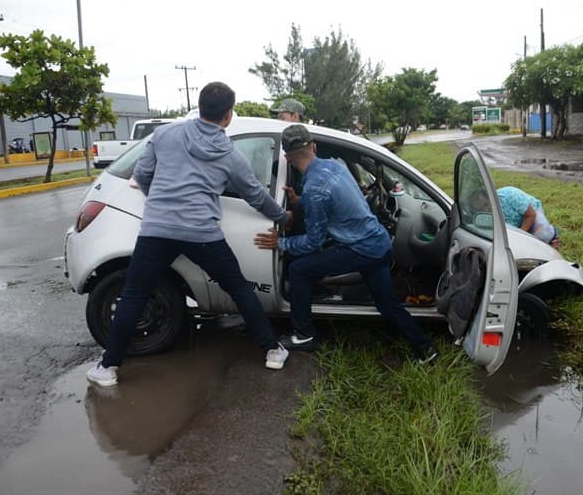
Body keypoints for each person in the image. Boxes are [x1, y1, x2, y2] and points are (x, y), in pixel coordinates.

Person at [86, 81, 291, 388]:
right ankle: (272, 351)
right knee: (238, 288)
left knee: (133, 295)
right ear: (228, 116)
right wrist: (283, 216)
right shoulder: (230, 155)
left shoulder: (165, 134)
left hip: (157, 231)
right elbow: (255, 196)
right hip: (202, 234)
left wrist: (163, 202)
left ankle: (108, 367)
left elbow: (141, 176)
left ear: (200, 105)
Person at [254, 124, 439, 364]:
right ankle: (426, 349)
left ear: (287, 158)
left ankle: (304, 335)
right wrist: (299, 202)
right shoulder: (334, 167)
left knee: (298, 269)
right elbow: (332, 201)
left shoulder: (314, 189)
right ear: (314, 147)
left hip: (360, 250)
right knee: (387, 305)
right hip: (379, 243)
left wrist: (281, 243)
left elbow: (313, 242)